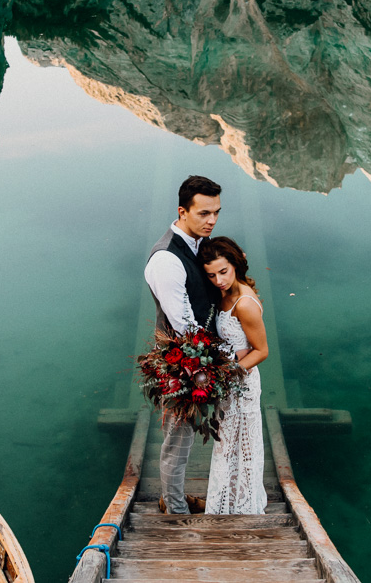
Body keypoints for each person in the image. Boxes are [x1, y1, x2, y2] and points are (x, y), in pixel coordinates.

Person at [144, 175, 222, 515]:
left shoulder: (195, 243)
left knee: (189, 437)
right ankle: (174, 508)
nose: (212, 221)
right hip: (184, 365)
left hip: (203, 360)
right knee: (178, 441)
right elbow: (185, 325)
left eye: (216, 212)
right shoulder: (166, 259)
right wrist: (226, 360)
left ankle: (181, 497)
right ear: (182, 211)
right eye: (204, 213)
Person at [197, 236, 268, 515]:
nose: (218, 280)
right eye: (211, 275)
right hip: (229, 381)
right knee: (228, 444)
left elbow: (261, 351)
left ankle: (242, 506)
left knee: (239, 444)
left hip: (242, 383)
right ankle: (227, 503)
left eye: (223, 272)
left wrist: (227, 375)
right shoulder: (225, 294)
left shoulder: (245, 304)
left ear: (235, 264)